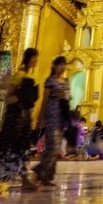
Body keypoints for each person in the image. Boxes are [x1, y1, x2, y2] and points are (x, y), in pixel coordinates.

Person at [0, 47, 40, 194]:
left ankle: (24, 179)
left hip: (24, 119)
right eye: (35, 57)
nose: (37, 61)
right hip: (15, 119)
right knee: (7, 150)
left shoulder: (29, 75)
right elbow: (8, 97)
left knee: (22, 150)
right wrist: (21, 99)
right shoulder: (19, 75)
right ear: (30, 58)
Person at [33, 56, 69, 184]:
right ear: (54, 66)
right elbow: (44, 100)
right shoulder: (50, 81)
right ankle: (40, 170)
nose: (63, 67)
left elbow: (68, 98)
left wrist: (65, 96)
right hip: (51, 117)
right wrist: (39, 118)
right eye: (60, 64)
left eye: (64, 64)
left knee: (57, 148)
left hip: (62, 118)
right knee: (52, 147)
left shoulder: (65, 82)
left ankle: (47, 176)